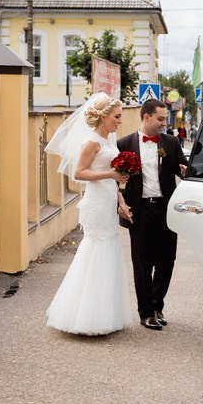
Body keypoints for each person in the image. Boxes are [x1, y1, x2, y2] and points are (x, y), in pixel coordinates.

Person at [44, 93, 136, 335]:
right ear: (103, 117)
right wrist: (111, 175)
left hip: (108, 200)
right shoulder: (92, 141)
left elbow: (112, 177)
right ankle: (86, 316)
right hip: (95, 203)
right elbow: (79, 173)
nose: (119, 121)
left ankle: (106, 312)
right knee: (96, 249)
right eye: (116, 116)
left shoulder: (109, 140)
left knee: (109, 248)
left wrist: (121, 201)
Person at [118, 99, 188, 330]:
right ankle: (146, 312)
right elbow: (113, 181)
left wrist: (187, 170)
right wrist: (118, 204)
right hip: (140, 210)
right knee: (142, 262)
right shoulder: (124, 144)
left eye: (165, 119)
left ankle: (158, 306)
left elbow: (184, 168)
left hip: (167, 209)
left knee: (167, 260)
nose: (164, 123)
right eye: (160, 119)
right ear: (146, 117)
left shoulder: (171, 141)